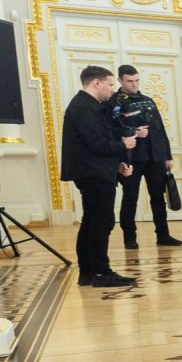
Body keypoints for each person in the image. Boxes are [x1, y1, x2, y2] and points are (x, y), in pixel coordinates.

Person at [62, 65, 138, 288]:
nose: (112, 89)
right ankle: (101, 273)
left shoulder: (89, 105)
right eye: (110, 84)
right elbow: (97, 143)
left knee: (91, 221)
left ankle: (87, 273)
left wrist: (118, 164)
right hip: (92, 172)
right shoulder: (84, 107)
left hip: (94, 170)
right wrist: (123, 144)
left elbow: (98, 142)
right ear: (97, 83)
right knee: (101, 222)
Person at [105, 65, 181, 250]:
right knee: (130, 198)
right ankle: (129, 238)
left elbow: (160, 129)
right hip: (131, 157)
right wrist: (133, 131)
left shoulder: (148, 100)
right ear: (120, 80)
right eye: (130, 81)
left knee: (158, 197)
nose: (134, 84)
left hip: (155, 156)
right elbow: (108, 130)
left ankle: (163, 235)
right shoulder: (112, 102)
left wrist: (167, 156)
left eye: (137, 80)